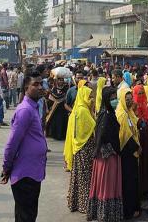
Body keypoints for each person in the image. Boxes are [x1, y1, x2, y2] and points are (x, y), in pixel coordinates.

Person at [1, 70, 47, 222]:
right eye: (35, 84)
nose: (40, 87)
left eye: (41, 83)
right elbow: (12, 143)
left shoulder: (33, 107)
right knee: (26, 216)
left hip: (32, 171)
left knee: (28, 215)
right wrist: (6, 167)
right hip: (25, 174)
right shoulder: (25, 110)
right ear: (26, 88)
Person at [87, 86, 123, 221]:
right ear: (107, 99)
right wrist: (111, 150)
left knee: (106, 185)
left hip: (108, 155)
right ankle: (104, 214)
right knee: (106, 186)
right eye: (112, 98)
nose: (115, 101)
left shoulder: (109, 113)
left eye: (116, 98)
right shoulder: (106, 115)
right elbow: (101, 136)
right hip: (107, 157)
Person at [65, 85, 96, 213]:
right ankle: (84, 205)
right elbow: (93, 126)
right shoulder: (83, 110)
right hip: (85, 147)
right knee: (84, 178)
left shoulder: (78, 108)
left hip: (79, 148)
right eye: (89, 97)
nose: (92, 99)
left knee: (78, 176)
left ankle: (75, 203)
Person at [116, 88, 141, 219]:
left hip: (133, 152)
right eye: (127, 99)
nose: (130, 101)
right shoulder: (121, 114)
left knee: (133, 180)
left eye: (131, 98)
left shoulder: (129, 112)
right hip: (127, 153)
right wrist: (136, 147)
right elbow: (125, 136)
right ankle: (128, 210)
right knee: (128, 181)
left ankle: (134, 206)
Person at [133, 84, 148, 196]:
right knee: (140, 163)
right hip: (139, 138)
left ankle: (146, 186)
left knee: (146, 161)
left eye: (142, 93)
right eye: (138, 93)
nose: (140, 95)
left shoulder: (145, 105)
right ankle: (140, 189)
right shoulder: (133, 107)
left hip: (146, 138)